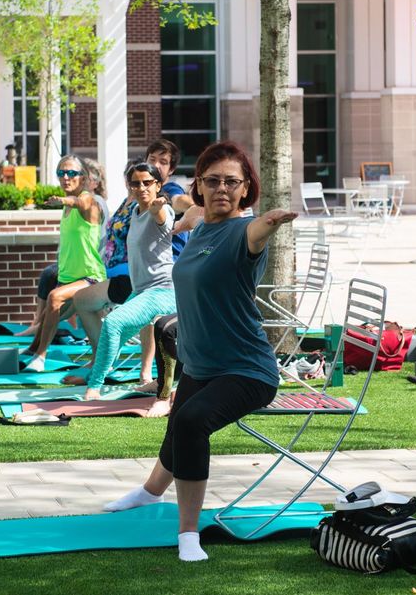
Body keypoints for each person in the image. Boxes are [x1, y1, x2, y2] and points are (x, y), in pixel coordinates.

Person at [102, 140, 297, 563]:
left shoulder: (242, 232)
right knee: (178, 425)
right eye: (213, 181)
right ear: (200, 186)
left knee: (190, 422)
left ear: (246, 189)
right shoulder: (201, 225)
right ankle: (149, 493)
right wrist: (184, 216)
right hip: (202, 364)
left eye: (232, 182)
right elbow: (185, 215)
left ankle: (188, 534)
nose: (222, 188)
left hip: (247, 371)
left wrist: (270, 221)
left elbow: (255, 232)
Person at [80, 161, 178, 400]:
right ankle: (93, 376)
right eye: (136, 183)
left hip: (163, 291)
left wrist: (159, 207)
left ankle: (94, 387)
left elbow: (161, 215)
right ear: (129, 186)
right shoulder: (135, 212)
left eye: (148, 183)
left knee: (113, 323)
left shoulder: (161, 210)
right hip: (142, 292)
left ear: (158, 185)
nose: (142, 187)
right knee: (112, 335)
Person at [25, 155, 106, 372]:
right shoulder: (66, 208)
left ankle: (40, 358)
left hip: (91, 278)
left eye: (72, 173)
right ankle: (32, 351)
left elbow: (81, 202)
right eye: (61, 173)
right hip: (69, 278)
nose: (66, 177)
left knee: (54, 297)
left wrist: (61, 201)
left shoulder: (89, 201)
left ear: (83, 178)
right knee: (47, 318)